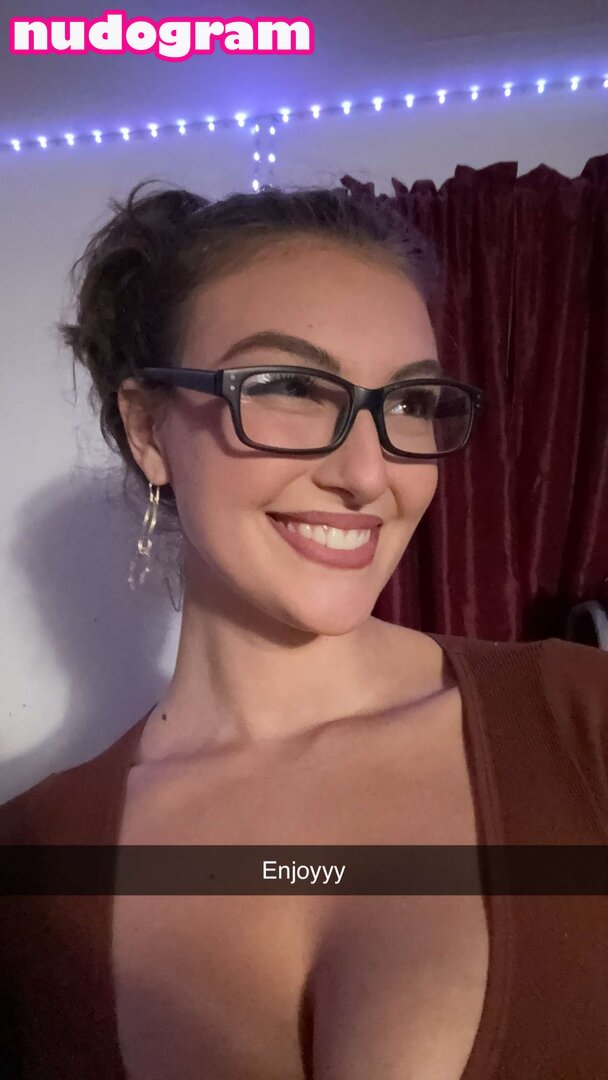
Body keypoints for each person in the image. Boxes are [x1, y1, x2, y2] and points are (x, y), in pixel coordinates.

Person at [1, 180, 607, 1080]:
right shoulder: (33, 867)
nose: (369, 473)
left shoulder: (581, 724)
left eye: (410, 402)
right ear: (150, 429)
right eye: (289, 387)